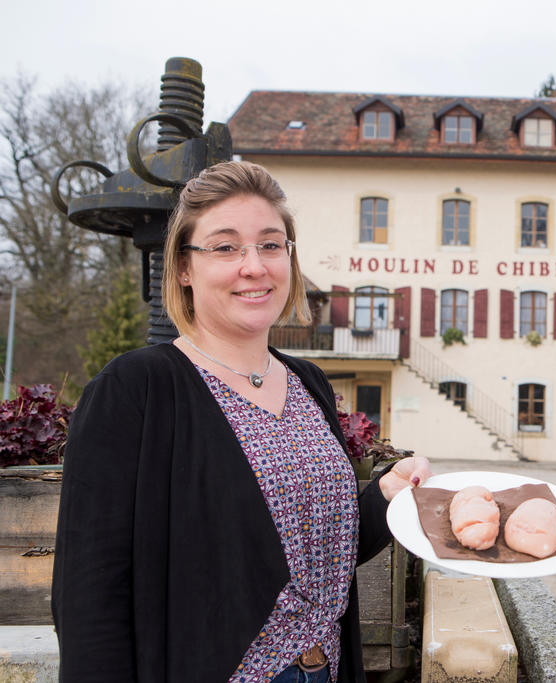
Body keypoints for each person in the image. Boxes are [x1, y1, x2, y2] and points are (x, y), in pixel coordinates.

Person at [52, 160, 431, 683]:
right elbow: (89, 595)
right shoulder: (135, 390)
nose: (254, 265)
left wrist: (385, 493)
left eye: (271, 244)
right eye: (226, 247)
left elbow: (309, 554)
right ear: (184, 267)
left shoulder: (308, 382)